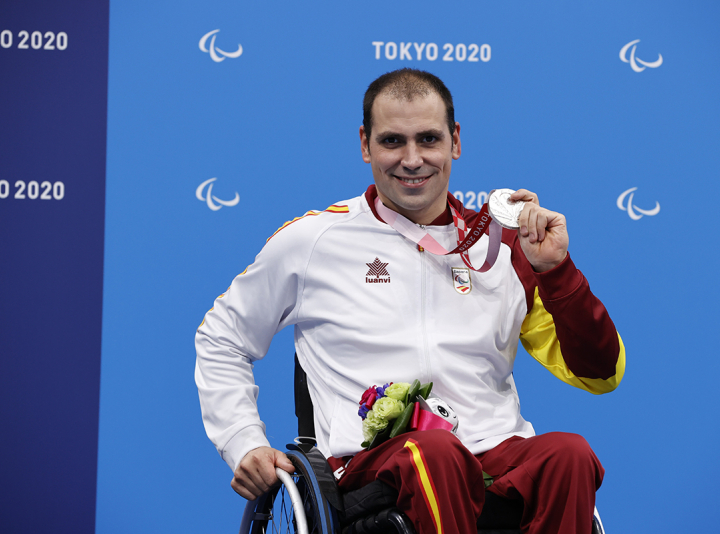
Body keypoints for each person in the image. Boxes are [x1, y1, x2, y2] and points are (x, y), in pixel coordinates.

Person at [195, 68, 626, 534]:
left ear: (455, 141)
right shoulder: (314, 242)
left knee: (569, 454)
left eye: (428, 139)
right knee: (433, 453)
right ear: (365, 145)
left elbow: (599, 374)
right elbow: (222, 337)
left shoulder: (503, 249)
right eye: (392, 141)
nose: (413, 159)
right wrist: (243, 440)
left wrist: (555, 271)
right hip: (375, 460)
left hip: (495, 454)